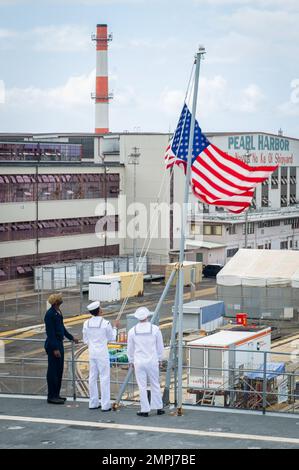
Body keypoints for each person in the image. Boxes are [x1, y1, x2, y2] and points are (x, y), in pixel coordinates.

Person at [127, 307, 165, 417]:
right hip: (152, 360)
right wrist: (160, 359)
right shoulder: (155, 329)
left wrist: (131, 360)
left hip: (139, 362)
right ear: (147, 316)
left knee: (142, 386)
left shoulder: (132, 331)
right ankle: (158, 407)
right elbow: (160, 347)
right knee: (155, 384)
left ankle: (145, 409)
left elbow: (130, 348)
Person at [83, 301, 120, 411]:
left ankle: (93, 402)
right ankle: (105, 405)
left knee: (92, 377)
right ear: (99, 310)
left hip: (92, 353)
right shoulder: (105, 323)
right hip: (102, 353)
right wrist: (115, 328)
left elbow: (85, 340)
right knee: (104, 378)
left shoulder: (86, 323)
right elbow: (112, 337)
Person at [44, 293, 78, 405]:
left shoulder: (58, 312)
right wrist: (54, 348)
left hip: (59, 343)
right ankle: (51, 396)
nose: (61, 300)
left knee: (59, 371)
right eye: (60, 299)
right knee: (53, 371)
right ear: (56, 302)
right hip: (54, 345)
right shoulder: (49, 315)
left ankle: (56, 394)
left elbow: (61, 327)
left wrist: (71, 337)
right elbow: (50, 333)